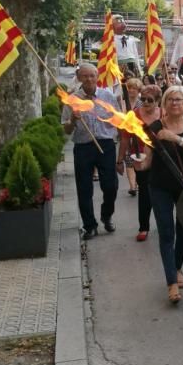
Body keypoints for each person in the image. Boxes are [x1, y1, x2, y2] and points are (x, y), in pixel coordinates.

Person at [135, 85, 183, 305]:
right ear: (164, 104)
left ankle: (176, 267)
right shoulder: (154, 127)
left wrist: (177, 139)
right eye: (170, 99)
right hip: (160, 186)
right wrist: (139, 164)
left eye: (179, 99)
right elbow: (147, 161)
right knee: (166, 233)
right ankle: (171, 283)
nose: (175, 103)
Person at [62, 63, 120, 239]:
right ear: (79, 78)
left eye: (92, 76)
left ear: (97, 77)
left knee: (111, 186)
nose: (88, 79)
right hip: (83, 147)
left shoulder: (107, 95)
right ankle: (89, 225)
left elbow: (118, 119)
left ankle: (106, 215)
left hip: (105, 145)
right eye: (85, 76)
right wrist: (73, 118)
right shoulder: (71, 99)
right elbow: (66, 129)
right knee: (84, 188)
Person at [117, 84, 161, 242]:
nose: (146, 102)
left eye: (150, 100)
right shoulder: (133, 115)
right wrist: (120, 160)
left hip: (162, 159)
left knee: (162, 192)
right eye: (143, 99)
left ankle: (164, 224)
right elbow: (124, 138)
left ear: (158, 101)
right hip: (141, 159)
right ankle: (144, 227)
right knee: (145, 191)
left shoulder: (164, 114)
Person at [119, 77, 143, 196]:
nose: (132, 90)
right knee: (128, 159)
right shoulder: (121, 102)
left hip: (138, 135)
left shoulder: (142, 103)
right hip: (125, 134)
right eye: (130, 88)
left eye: (134, 88)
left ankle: (138, 182)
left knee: (137, 158)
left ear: (139, 90)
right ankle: (132, 186)